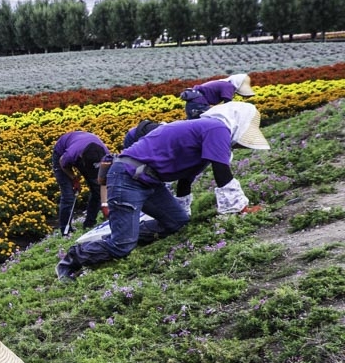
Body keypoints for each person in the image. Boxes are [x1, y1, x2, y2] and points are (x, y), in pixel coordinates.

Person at [56, 102, 270, 281]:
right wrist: (239, 209)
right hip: (127, 177)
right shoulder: (217, 129)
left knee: (177, 222)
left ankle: (124, 230)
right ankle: (72, 259)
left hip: (149, 181)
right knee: (122, 246)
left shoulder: (210, 132)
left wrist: (183, 208)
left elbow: (186, 178)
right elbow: (221, 172)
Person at [52, 131, 109, 235]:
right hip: (62, 153)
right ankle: (66, 231)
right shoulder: (70, 154)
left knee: (97, 191)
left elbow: (103, 182)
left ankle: (89, 224)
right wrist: (73, 178)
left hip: (84, 152)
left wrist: (104, 204)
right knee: (69, 196)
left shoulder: (106, 155)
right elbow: (62, 163)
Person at [180, 73, 254, 119]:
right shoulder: (228, 86)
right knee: (208, 120)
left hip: (193, 102)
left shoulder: (223, 83)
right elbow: (228, 103)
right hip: (198, 103)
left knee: (193, 122)